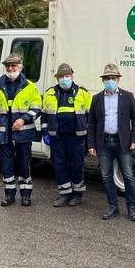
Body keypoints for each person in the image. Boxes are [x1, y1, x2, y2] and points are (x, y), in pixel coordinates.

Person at [0, 53, 42, 206]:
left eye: (14, 65)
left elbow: (37, 108)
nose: (10, 68)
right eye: (8, 66)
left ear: (20, 67)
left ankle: (26, 194)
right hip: (3, 133)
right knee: (6, 165)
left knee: (24, 164)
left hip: (23, 133)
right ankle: (9, 194)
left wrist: (23, 119)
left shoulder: (29, 87)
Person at [88, 63, 135, 221]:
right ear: (102, 81)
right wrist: (91, 144)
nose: (110, 81)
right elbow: (91, 124)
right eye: (107, 78)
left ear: (118, 80)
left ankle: (132, 207)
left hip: (122, 142)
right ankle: (113, 206)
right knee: (106, 176)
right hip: (104, 142)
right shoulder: (97, 99)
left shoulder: (127, 96)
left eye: (113, 78)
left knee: (128, 176)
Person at [42, 63, 92, 207]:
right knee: (59, 165)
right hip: (56, 137)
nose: (64, 79)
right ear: (57, 79)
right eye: (62, 77)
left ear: (72, 77)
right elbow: (44, 115)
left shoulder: (83, 93)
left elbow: (91, 117)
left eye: (67, 76)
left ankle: (77, 194)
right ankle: (64, 194)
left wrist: (89, 137)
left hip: (76, 137)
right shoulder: (50, 93)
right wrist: (45, 133)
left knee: (77, 165)